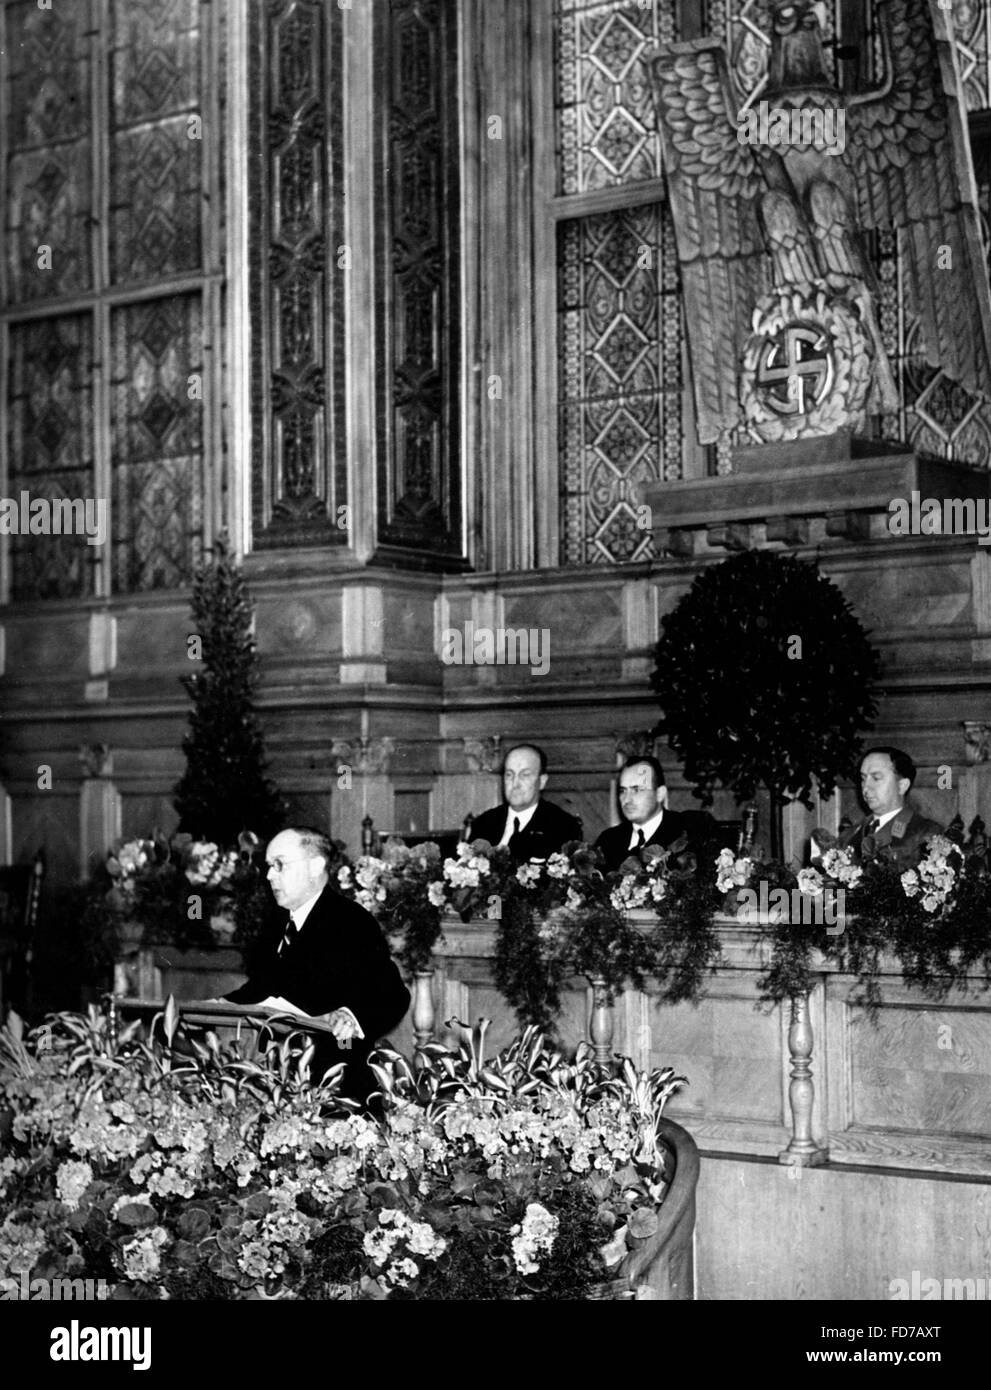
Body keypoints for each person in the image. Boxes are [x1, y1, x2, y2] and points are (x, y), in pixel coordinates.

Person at [223, 826, 410, 1103]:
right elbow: (263, 988)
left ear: (316, 866)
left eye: (279, 865)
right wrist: (220, 1004)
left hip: (336, 1088)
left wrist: (350, 1015)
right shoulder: (276, 923)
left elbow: (392, 993)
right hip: (281, 1082)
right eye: (268, 866)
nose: (269, 875)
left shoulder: (351, 921)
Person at [593, 756, 717, 873]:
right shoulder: (608, 840)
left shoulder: (688, 830)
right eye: (623, 790)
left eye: (637, 790)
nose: (627, 799)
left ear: (660, 794)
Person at [469, 744, 582, 860]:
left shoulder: (563, 826)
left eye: (525, 775)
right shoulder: (484, 823)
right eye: (509, 775)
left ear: (542, 781)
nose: (515, 784)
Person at [838, 747, 943, 869]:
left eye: (876, 778)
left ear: (902, 786)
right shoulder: (848, 835)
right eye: (863, 779)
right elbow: (834, 887)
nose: (866, 788)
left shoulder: (926, 833)